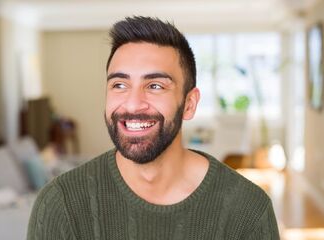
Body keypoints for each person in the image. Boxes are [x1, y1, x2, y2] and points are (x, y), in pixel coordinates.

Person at [27, 16, 280, 240]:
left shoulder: (248, 210)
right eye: (119, 85)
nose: (133, 103)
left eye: (156, 86)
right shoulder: (61, 205)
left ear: (189, 104)